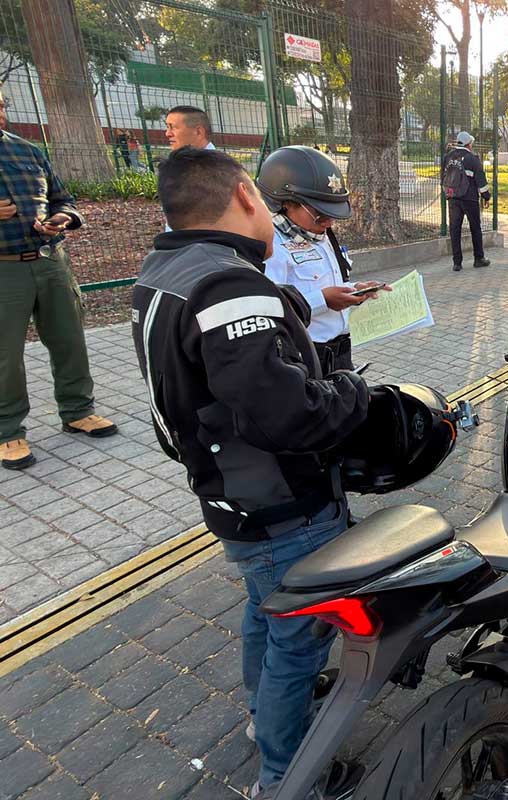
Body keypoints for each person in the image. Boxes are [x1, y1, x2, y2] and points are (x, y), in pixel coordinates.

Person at [130, 146, 369, 798]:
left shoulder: (164, 272)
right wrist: (359, 397)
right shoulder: (228, 285)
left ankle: (264, 720)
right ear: (243, 196)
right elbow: (289, 416)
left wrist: (289, 300)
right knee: (299, 637)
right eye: (263, 202)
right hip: (281, 503)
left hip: (228, 497)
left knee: (265, 612)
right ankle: (288, 773)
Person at [0, 88, 118, 471]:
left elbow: (62, 198)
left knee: (70, 339)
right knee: (5, 356)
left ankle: (77, 410)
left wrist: (63, 218)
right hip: (4, 270)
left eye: (1, 105)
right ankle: (7, 431)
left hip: (51, 260)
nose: (0, 112)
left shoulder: (28, 152)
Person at [258, 145, 387, 372]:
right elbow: (270, 312)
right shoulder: (271, 247)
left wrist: (354, 289)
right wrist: (322, 301)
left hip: (340, 354)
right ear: (285, 204)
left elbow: (326, 285)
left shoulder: (320, 234)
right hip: (305, 358)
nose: (329, 222)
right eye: (320, 214)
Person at [442, 130, 490, 271]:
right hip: (470, 199)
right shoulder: (472, 158)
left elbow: (443, 177)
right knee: (475, 228)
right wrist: (486, 197)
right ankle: (478, 259)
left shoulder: (448, 157)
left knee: (454, 229)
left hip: (453, 198)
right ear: (469, 144)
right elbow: (480, 180)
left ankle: (457, 263)